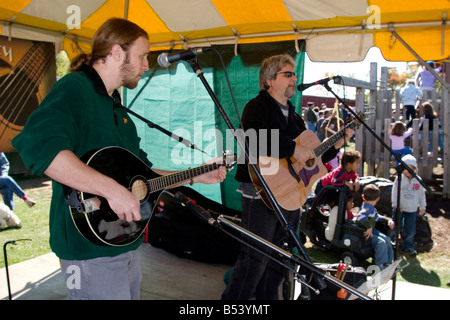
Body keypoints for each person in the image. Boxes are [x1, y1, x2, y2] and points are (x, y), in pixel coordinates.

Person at [12, 18, 226, 300]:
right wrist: (112, 190)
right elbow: (39, 148)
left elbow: (145, 174)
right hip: (88, 249)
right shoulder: (74, 89)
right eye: (143, 55)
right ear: (116, 53)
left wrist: (196, 174)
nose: (147, 64)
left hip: (122, 242)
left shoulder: (118, 111)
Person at [221, 54, 354, 300]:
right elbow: (255, 138)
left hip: (291, 196)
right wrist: (293, 149)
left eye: (294, 74)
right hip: (260, 191)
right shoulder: (257, 107)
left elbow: (311, 159)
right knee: (255, 261)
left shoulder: (293, 116)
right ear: (270, 80)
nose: (294, 78)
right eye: (287, 74)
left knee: (279, 262)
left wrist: (338, 143)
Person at [391, 155, 426, 257]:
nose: (406, 171)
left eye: (410, 169)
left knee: (410, 230)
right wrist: (395, 205)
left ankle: (408, 246)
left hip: (412, 209)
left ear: (415, 168)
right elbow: (394, 192)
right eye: (405, 168)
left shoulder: (417, 180)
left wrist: (422, 206)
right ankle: (392, 243)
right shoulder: (399, 179)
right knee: (396, 226)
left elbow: (421, 194)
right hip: (400, 208)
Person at [355, 184, 395, 270]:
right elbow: (360, 216)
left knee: (387, 239)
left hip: (372, 231)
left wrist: (387, 220)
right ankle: (380, 264)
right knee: (381, 243)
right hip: (365, 233)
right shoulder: (366, 208)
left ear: (363, 197)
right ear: (378, 199)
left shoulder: (371, 208)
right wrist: (369, 227)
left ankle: (389, 261)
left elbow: (376, 217)